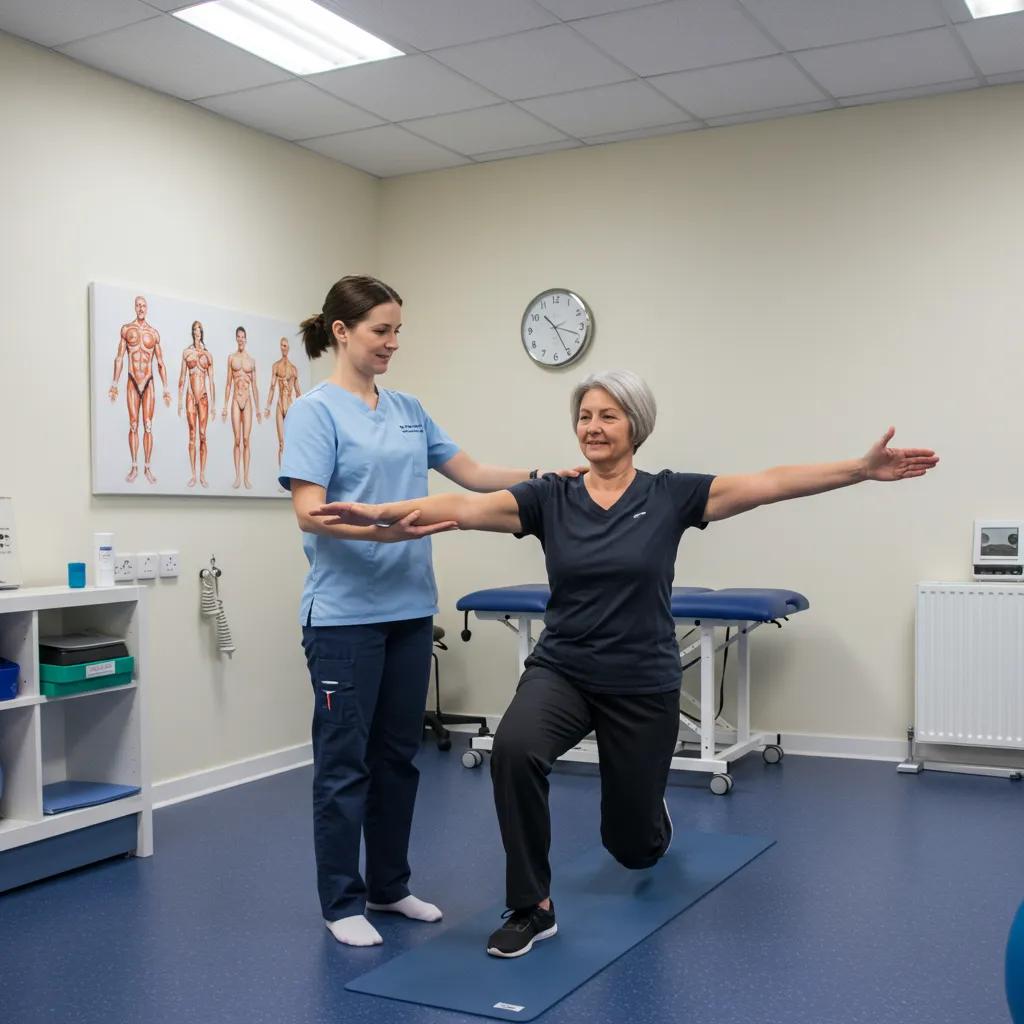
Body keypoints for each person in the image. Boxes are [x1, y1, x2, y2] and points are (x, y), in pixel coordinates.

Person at [311, 368, 939, 959]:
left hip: (642, 682)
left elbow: (768, 482)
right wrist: (380, 513)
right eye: (584, 415)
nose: (592, 427)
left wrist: (858, 469)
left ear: (635, 425)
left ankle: (651, 822)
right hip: (563, 669)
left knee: (632, 848)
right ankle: (532, 906)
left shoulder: (671, 495)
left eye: (608, 415)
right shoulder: (549, 497)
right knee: (514, 751)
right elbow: (462, 508)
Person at [279, 275, 585, 950]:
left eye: (396, 332)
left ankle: (389, 887)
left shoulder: (409, 409)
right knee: (344, 764)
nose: (391, 344)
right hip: (343, 618)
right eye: (380, 331)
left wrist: (548, 477)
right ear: (341, 331)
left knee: (398, 758)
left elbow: (471, 473)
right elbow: (307, 510)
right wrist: (383, 533)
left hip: (410, 610)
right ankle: (341, 902)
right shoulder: (315, 412)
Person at [109, 294, 172, 484]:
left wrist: (166, 388)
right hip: (132, 380)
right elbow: (119, 357)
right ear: (134, 308)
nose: (141, 308)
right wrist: (114, 383)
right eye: (138, 305)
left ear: (147, 308)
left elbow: (160, 362)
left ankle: (148, 468)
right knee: (134, 424)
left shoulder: (154, 334)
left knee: (148, 425)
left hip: (149, 381)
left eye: (144, 305)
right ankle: (135, 466)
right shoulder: (127, 330)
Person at [221, 326, 261, 489]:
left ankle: (246, 477)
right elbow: (228, 383)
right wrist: (224, 405)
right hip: (236, 400)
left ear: (246, 338)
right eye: (238, 337)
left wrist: (258, 409)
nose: (241, 339)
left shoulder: (251, 361)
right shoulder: (231, 358)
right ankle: (237, 475)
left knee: (246, 440)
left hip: (248, 400)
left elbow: (255, 386)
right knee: (237, 439)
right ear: (236, 339)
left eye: (243, 336)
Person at [177, 320, 216, 488]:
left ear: (202, 332)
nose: (197, 332)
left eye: (199, 330)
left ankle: (203, 474)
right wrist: (179, 401)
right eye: (194, 330)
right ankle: (193, 474)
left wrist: (214, 404)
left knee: (203, 435)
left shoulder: (208, 355)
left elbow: (212, 380)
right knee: (192, 434)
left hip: (204, 397)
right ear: (192, 332)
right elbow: (182, 377)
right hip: (190, 396)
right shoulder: (187, 353)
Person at [265, 336, 302, 467]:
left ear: (288, 348)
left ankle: (291, 473)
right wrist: (267, 407)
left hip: (290, 405)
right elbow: (272, 387)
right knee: (281, 443)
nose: (283, 348)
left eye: (285, 345)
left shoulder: (293, 369)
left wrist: (302, 411)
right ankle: (282, 476)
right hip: (280, 405)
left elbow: (298, 392)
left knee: (291, 442)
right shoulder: (276, 366)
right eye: (281, 345)